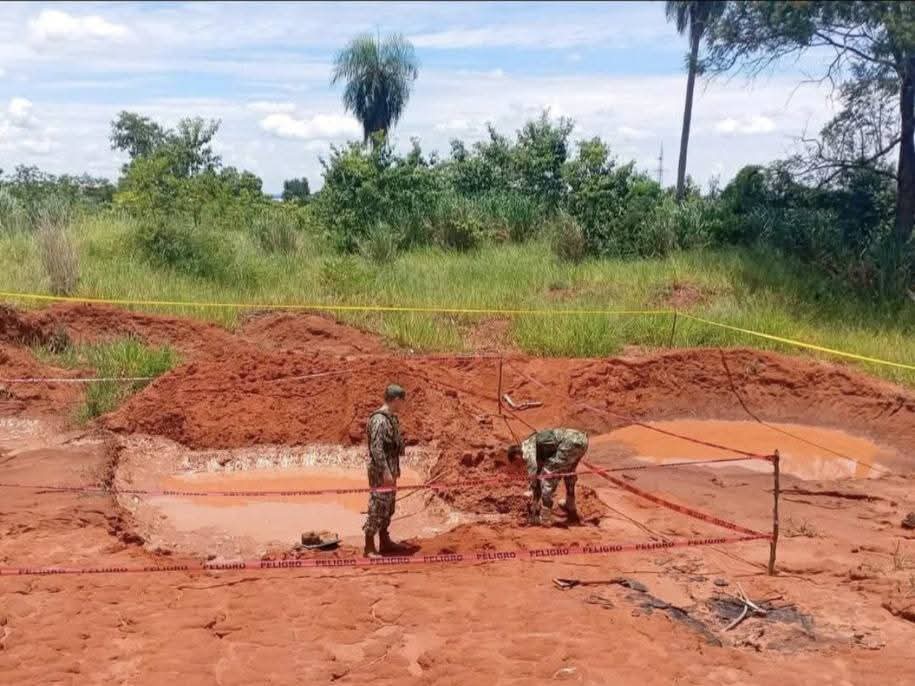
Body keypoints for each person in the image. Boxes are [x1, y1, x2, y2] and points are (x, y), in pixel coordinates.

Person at [508, 428, 589, 526]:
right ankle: (570, 504)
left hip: (570, 443)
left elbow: (533, 474)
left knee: (547, 476)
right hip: (581, 440)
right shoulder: (533, 446)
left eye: (518, 464)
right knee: (568, 472)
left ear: (517, 456)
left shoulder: (526, 450)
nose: (520, 467)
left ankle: (545, 517)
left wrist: (532, 495)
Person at [363, 384, 407, 557]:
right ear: (396, 400)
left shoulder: (391, 418)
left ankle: (384, 541)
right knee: (377, 507)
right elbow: (377, 449)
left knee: (388, 507)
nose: (403, 405)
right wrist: (386, 472)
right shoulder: (379, 421)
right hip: (381, 473)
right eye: (402, 401)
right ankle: (369, 546)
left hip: (391, 470)